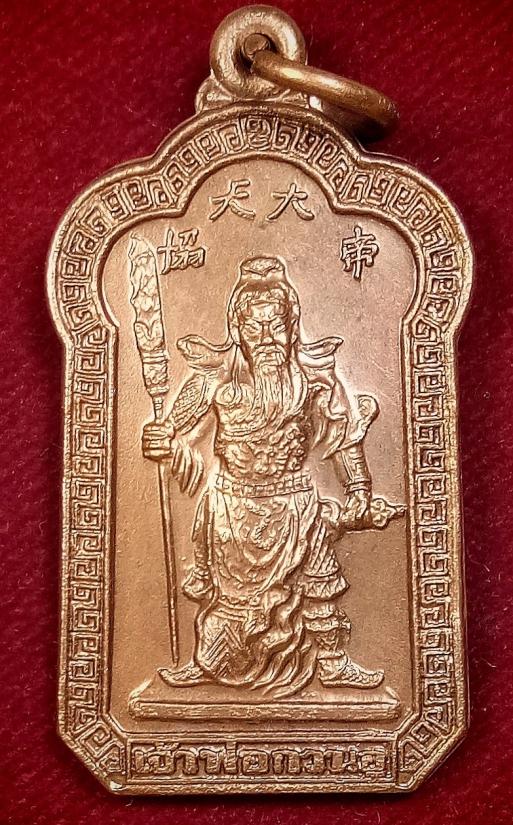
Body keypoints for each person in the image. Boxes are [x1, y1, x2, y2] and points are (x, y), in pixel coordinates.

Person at [142, 255, 402, 699]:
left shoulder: (314, 377)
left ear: (291, 325)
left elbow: (342, 435)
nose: (266, 338)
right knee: (229, 598)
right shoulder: (213, 378)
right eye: (255, 327)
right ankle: (209, 663)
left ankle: (333, 664)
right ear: (238, 329)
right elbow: (174, 429)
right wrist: (159, 439)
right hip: (232, 507)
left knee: (319, 585)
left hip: (297, 502)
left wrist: (359, 488)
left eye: (275, 326)